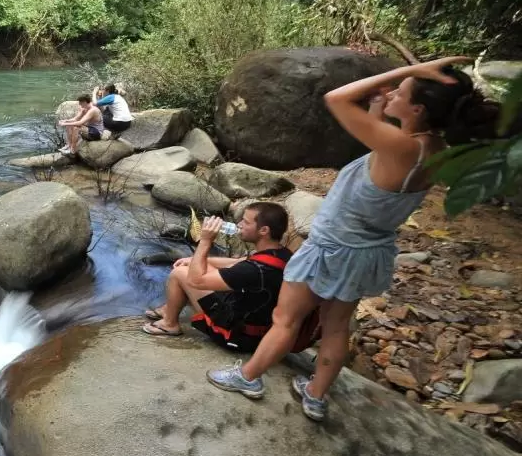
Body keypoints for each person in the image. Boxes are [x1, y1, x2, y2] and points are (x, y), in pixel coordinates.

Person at [207, 56, 498, 421]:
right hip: (365, 251)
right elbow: (381, 167)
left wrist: (410, 69)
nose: (391, 91)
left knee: (285, 318)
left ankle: (249, 378)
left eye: (401, 91)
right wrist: (380, 108)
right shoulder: (434, 150)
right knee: (336, 325)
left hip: (330, 249)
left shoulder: (401, 147)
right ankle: (315, 395)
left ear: (418, 109)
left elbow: (337, 99)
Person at [143, 202, 291, 354]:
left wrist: (205, 241)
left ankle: (169, 324)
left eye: (245, 222)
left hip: (237, 335)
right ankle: (169, 308)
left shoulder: (253, 270)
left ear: (263, 230)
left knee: (180, 273)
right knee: (196, 267)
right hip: (256, 324)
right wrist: (197, 259)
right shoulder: (280, 254)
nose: (239, 224)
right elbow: (236, 262)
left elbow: (196, 280)